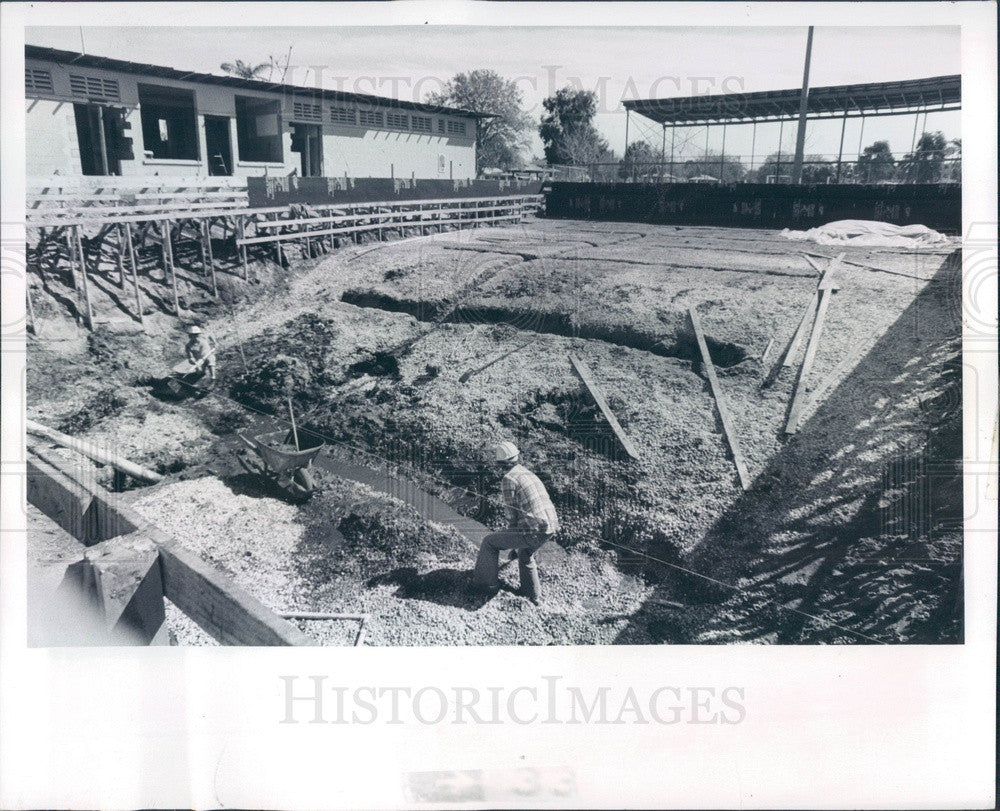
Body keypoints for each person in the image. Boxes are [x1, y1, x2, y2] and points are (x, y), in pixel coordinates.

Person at [473, 441, 560, 604]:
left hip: (533, 529)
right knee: (525, 553)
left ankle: (487, 586)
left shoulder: (509, 478)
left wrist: (512, 542)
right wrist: (516, 544)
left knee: (489, 543)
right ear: (517, 457)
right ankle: (532, 596)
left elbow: (511, 515)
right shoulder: (526, 472)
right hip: (551, 525)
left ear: (500, 463)